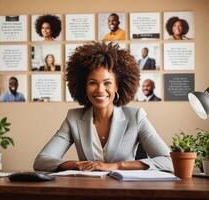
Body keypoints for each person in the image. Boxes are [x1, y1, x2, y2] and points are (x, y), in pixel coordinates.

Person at [33, 42, 172, 172]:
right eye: (93, 83)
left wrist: (117, 165)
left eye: (107, 83)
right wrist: (77, 165)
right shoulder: (73, 118)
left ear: (117, 86)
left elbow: (169, 161)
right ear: (84, 86)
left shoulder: (136, 117)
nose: (100, 90)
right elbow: (41, 161)